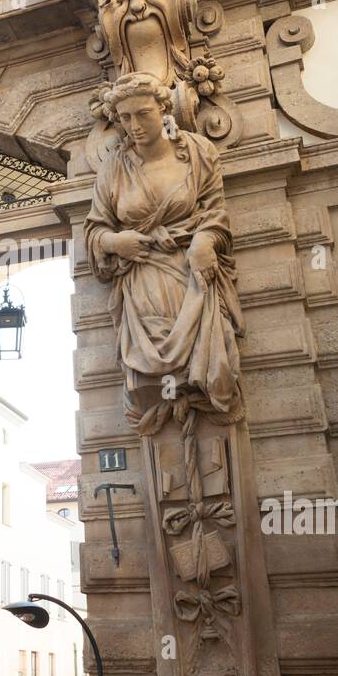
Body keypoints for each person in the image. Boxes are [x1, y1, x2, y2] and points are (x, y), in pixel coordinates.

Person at [84, 72, 243, 423]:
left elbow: (216, 212)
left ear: (163, 109)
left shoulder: (198, 152)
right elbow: (95, 229)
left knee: (209, 369)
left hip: (190, 277)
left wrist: (204, 240)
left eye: (143, 114)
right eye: (125, 118)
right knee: (152, 381)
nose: (134, 126)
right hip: (142, 284)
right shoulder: (113, 168)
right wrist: (115, 241)